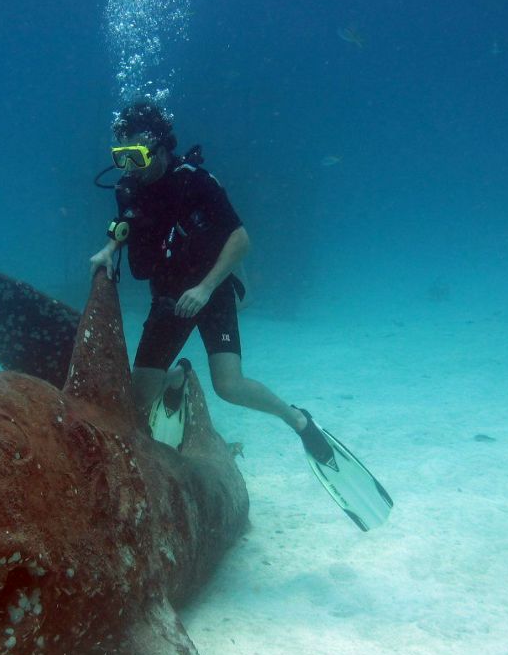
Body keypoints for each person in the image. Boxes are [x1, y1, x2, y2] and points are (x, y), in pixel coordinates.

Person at [89, 99, 333, 462]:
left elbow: (241, 240)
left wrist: (204, 288)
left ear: (158, 149)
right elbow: (127, 222)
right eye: (121, 156)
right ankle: (175, 383)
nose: (129, 167)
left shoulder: (195, 182)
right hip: (168, 297)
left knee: (229, 386)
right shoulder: (129, 187)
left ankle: (296, 419)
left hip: (211, 290)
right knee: (138, 398)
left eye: (136, 156)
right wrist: (109, 248)